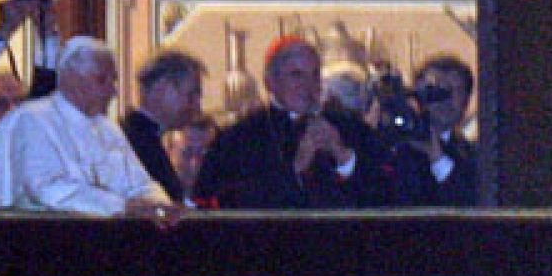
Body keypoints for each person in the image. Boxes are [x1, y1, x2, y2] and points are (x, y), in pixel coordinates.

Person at [0, 36, 179, 221]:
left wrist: (158, 204)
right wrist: (120, 206)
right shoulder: (31, 120)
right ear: (72, 79)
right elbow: (47, 189)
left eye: (113, 80)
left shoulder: (108, 128)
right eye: (102, 80)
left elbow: (138, 182)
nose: (113, 90)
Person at [193, 36, 385, 210]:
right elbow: (224, 203)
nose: (308, 85)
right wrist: (295, 168)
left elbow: (383, 193)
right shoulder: (238, 137)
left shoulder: (350, 127)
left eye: (315, 75)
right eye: (296, 75)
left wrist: (344, 157)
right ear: (270, 82)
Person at [121, 50, 206, 201]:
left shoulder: (141, 136)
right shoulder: (135, 143)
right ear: (161, 88)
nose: (197, 106)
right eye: (191, 95)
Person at [393, 55, 477, 207]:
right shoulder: (397, 147)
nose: (446, 100)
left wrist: (437, 157)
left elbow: (468, 204)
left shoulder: (475, 156)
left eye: (456, 90)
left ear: (467, 101)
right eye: (437, 91)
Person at [164, 115, 218, 205]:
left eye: (203, 155)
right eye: (186, 154)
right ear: (168, 152)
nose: (194, 164)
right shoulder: (152, 203)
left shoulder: (225, 203)